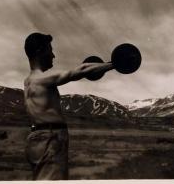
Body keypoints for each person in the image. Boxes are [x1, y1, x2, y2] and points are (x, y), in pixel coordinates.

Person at [23, 32, 114, 180]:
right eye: (50, 50)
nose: (53, 55)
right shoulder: (42, 79)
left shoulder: (28, 81)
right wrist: (114, 64)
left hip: (36, 139)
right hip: (50, 139)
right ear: (40, 51)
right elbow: (80, 71)